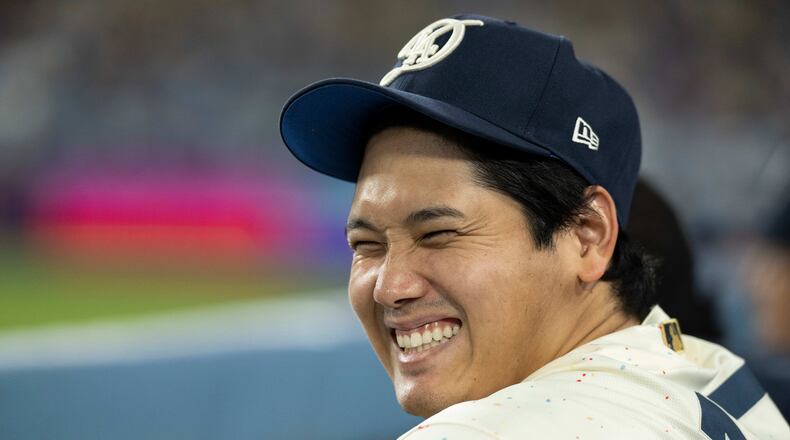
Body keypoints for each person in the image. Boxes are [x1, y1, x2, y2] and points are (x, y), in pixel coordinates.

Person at [279, 14, 789, 439]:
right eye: (366, 244)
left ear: (587, 235)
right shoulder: (705, 369)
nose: (390, 287)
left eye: (437, 234)